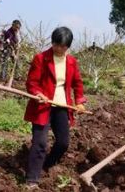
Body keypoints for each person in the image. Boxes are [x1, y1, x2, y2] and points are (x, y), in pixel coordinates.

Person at [24, 27, 86, 188]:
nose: (59, 49)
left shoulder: (71, 62)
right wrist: (37, 93)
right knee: (40, 143)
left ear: (68, 47)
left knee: (63, 143)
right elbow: (32, 82)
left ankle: (47, 164)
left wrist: (79, 101)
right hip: (42, 106)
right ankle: (32, 179)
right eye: (56, 45)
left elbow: (77, 83)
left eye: (63, 47)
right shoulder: (41, 58)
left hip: (62, 105)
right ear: (52, 42)